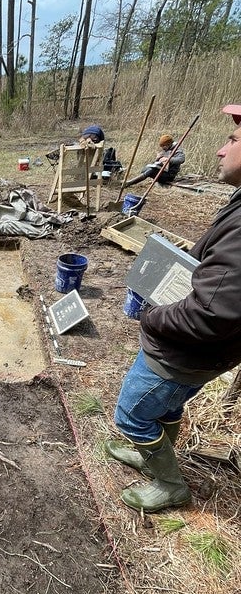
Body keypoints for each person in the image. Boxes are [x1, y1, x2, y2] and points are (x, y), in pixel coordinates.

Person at [105, 104, 241, 513]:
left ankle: (170, 483)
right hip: (200, 354)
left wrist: (152, 316)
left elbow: (211, 313)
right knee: (167, 405)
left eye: (233, 141)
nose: (220, 149)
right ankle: (151, 455)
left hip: (183, 352)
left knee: (131, 414)